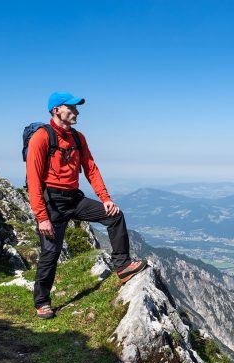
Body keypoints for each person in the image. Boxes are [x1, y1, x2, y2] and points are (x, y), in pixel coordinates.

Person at [26, 91, 147, 319]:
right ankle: (42, 302)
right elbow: (33, 178)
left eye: (76, 108)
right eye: (71, 108)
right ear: (57, 110)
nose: (77, 112)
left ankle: (122, 266)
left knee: (114, 216)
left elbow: (90, 168)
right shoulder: (41, 137)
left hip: (74, 198)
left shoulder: (78, 138)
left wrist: (105, 198)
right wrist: (42, 217)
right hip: (52, 203)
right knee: (50, 253)